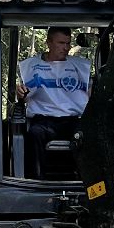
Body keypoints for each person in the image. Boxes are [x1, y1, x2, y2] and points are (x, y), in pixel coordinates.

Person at [15, 26, 91, 177]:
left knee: (90, 135)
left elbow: (89, 93)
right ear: (48, 43)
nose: (66, 48)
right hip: (44, 121)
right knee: (34, 134)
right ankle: (36, 179)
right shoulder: (32, 66)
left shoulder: (79, 66)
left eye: (68, 43)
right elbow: (22, 96)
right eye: (61, 43)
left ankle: (87, 180)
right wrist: (20, 94)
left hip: (72, 121)